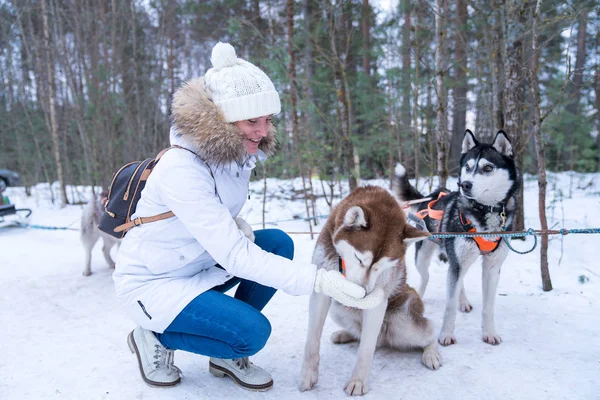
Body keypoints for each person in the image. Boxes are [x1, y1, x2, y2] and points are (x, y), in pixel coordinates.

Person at [113, 42, 383, 392]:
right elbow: (235, 255)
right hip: (154, 282)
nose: (263, 130)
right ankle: (154, 335)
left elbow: (218, 222)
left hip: (192, 263)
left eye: (268, 119)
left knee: (277, 244)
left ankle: (221, 347)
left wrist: (230, 225)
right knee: (252, 334)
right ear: (220, 120)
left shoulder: (231, 156)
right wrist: (322, 281)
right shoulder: (181, 168)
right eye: (252, 120)